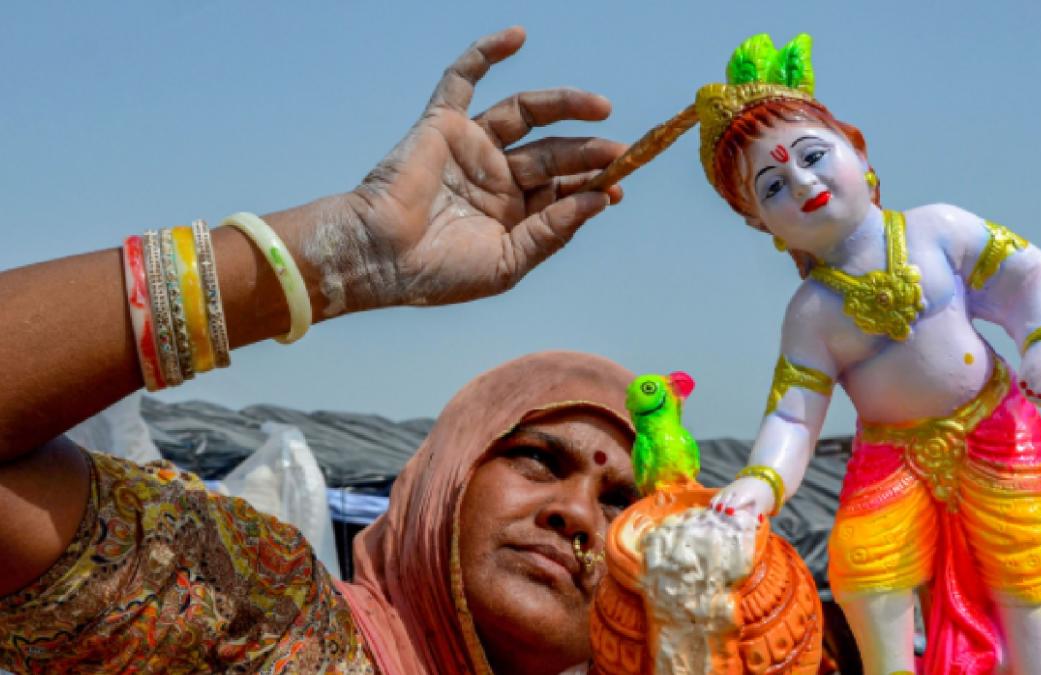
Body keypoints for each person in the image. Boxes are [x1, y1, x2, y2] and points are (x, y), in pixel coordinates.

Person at [0, 26, 638, 674]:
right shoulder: (266, 618)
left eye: (621, 502)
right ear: (446, 482)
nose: (577, 513)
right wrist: (344, 255)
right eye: (537, 458)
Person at [588, 33, 1041, 674]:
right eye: (772, 186)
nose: (802, 182)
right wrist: (760, 484)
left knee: (1027, 574)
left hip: (995, 425)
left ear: (858, 148)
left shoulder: (937, 229)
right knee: (864, 574)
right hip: (891, 452)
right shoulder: (813, 314)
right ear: (762, 224)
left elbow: (1027, 275)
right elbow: (795, 416)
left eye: (814, 155)